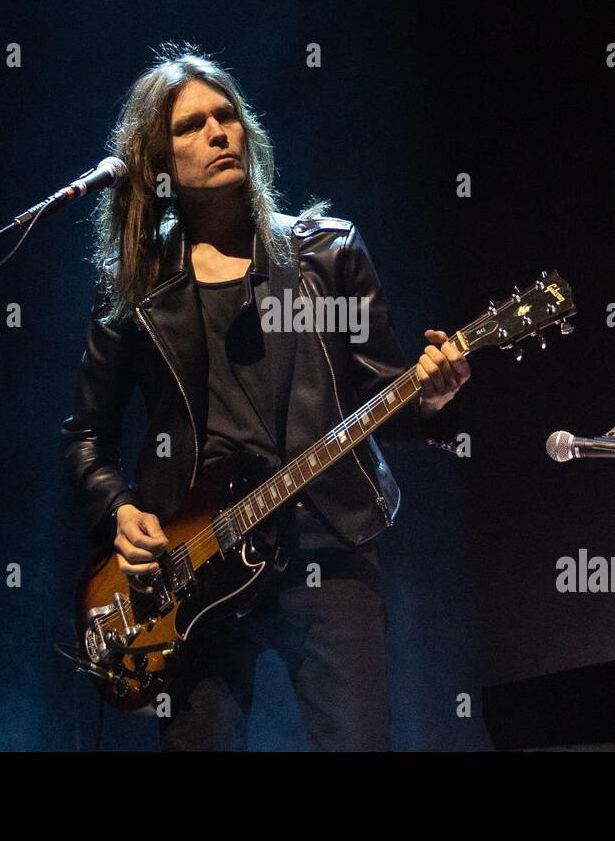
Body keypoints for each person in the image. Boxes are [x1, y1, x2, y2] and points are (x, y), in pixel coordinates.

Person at [60, 44, 471, 750]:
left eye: (228, 116)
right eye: (191, 126)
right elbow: (85, 435)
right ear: (156, 162)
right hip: (190, 572)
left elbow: (386, 400)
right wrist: (120, 509)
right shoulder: (134, 290)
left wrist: (433, 397)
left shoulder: (328, 254)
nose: (219, 133)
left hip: (325, 542)